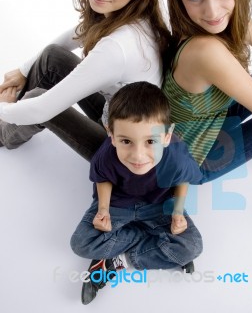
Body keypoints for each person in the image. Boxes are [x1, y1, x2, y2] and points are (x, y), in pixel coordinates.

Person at [0, 0, 170, 161]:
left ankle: (4, 131)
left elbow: (43, 108)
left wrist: (5, 108)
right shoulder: (143, 5)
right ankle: (13, 109)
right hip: (116, 113)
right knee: (52, 56)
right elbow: (80, 32)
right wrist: (23, 70)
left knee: (36, 99)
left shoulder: (119, 47)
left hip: (122, 151)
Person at [70, 81, 203, 304]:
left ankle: (116, 259)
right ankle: (158, 243)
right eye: (126, 141)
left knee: (193, 247)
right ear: (111, 134)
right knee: (80, 243)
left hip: (159, 206)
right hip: (118, 204)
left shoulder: (178, 156)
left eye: (151, 141)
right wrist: (103, 209)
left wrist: (178, 213)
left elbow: (183, 180)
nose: (138, 156)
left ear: (167, 136)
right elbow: (103, 178)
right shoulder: (106, 155)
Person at [162, 0, 252, 182]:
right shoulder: (204, 51)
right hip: (200, 155)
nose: (212, 11)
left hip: (216, 112)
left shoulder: (228, 16)